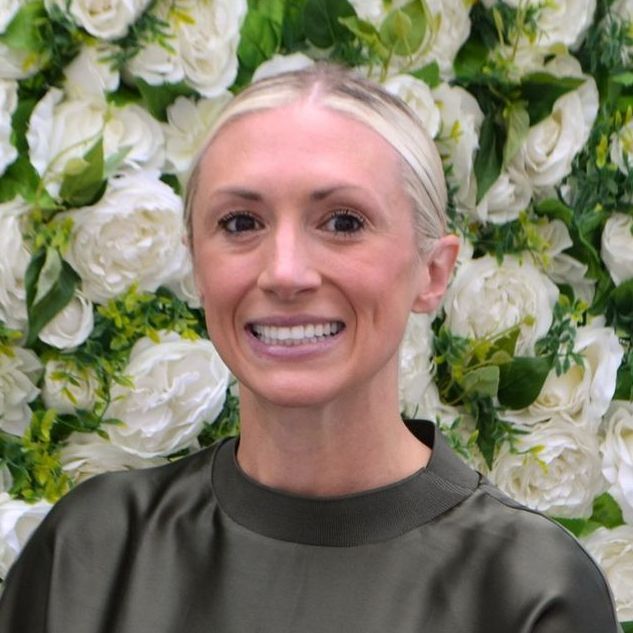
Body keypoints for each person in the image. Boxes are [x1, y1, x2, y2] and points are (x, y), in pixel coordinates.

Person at [0, 64, 622, 633]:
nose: (285, 272)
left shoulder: (528, 590)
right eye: (241, 223)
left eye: (343, 222)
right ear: (196, 264)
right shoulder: (92, 552)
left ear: (432, 272)